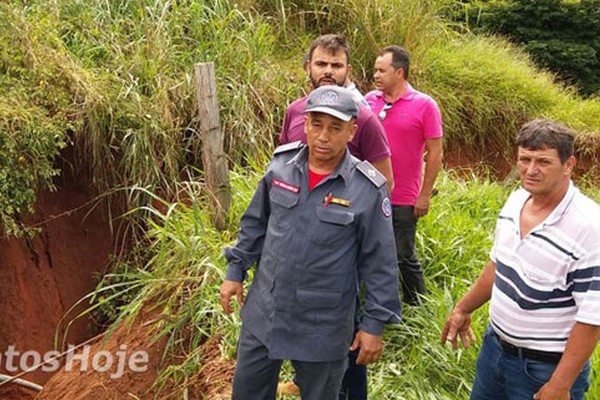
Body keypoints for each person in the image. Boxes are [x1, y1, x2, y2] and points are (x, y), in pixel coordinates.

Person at [220, 85, 402, 400]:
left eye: (335, 128)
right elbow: (255, 223)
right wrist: (236, 271)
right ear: (304, 125)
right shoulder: (280, 167)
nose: (323, 136)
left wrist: (373, 324)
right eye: (316, 124)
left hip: (323, 326)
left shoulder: (366, 189)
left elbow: (381, 261)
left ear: (351, 132)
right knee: (247, 392)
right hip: (266, 312)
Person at [441, 119, 600, 400]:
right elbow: (499, 265)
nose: (530, 170)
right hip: (494, 350)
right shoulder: (515, 201)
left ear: (569, 164)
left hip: (544, 370)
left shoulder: (589, 227)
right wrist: (463, 308)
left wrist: (560, 385)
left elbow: (592, 318)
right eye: (524, 159)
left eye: (543, 162)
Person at [365, 45, 443, 306]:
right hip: (366, 192)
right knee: (364, 250)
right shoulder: (369, 101)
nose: (375, 75)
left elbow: (435, 153)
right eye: (375, 70)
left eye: (381, 70)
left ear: (399, 72)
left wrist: (424, 195)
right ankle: (372, 302)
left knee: (402, 254)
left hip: (403, 196)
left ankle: (417, 306)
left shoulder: (424, 105)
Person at [280, 34, 394, 192]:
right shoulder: (294, 111)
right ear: (308, 67)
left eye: (336, 66)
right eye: (321, 64)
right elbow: (282, 166)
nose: (328, 71)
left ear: (348, 71)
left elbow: (384, 183)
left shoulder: (365, 119)